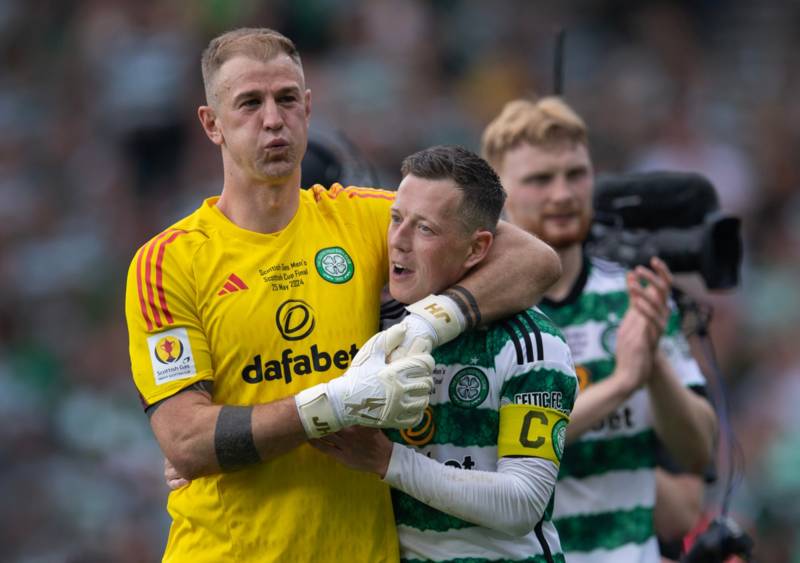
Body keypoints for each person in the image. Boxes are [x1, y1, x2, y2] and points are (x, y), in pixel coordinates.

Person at [125, 28, 561, 562]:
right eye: (249, 103)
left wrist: (430, 322)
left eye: (287, 99)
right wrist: (331, 405)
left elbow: (532, 257)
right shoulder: (167, 262)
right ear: (211, 124)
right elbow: (187, 442)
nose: (272, 119)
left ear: (308, 108)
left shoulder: (360, 218)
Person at [311, 145, 578, 563]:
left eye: (425, 230)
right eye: (396, 219)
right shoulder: (376, 330)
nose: (397, 242)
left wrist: (388, 461)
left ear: (476, 249)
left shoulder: (530, 342)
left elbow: (523, 503)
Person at [481, 97, 718, 563]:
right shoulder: (484, 311)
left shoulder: (637, 293)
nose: (564, 194)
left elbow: (698, 452)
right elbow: (498, 461)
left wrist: (654, 368)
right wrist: (622, 384)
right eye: (539, 179)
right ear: (499, 197)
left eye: (576, 173)